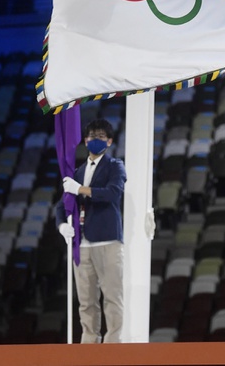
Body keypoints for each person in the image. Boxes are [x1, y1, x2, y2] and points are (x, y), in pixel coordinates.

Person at [55, 118, 127, 343]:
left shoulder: (115, 166)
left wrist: (82, 190)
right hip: (82, 244)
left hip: (107, 241)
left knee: (112, 297)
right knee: (86, 300)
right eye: (92, 137)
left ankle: (113, 343)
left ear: (110, 141)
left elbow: (113, 193)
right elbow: (62, 205)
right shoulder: (77, 171)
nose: (96, 140)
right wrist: (61, 225)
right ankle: (89, 341)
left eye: (101, 137)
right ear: (85, 141)